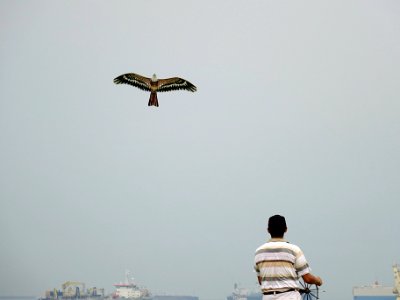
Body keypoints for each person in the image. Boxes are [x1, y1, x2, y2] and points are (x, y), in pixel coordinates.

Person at [254, 215, 323, 300]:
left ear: (268, 230)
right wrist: (318, 281)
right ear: (286, 229)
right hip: (289, 296)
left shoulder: (259, 252)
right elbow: (308, 279)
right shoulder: (294, 250)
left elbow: (261, 281)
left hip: (268, 297)